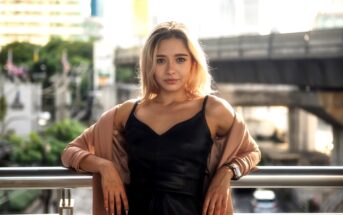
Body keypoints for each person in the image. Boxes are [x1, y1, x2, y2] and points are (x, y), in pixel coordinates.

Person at [61, 21, 261, 215]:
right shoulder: (127, 112)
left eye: (180, 59)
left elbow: (251, 152)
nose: (170, 70)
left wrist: (226, 172)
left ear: (193, 63)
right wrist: (105, 167)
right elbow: (70, 152)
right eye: (160, 60)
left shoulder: (213, 110)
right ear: (150, 64)